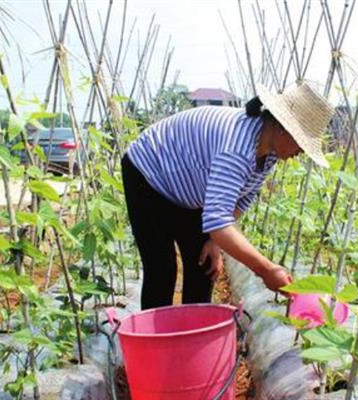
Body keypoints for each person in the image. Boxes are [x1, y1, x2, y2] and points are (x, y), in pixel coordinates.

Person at [121, 82, 334, 310]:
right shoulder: (237, 148)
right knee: (162, 269)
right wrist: (266, 270)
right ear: (283, 128)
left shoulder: (269, 152)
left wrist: (214, 241)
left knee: (204, 266)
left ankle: (193, 336)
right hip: (148, 173)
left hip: (190, 186)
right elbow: (218, 221)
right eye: (301, 143)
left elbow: (243, 198)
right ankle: (155, 342)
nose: (301, 152)